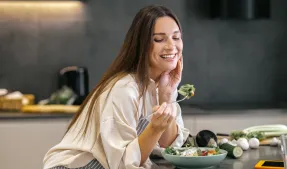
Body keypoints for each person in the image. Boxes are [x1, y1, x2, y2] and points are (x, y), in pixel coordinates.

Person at [43, 4, 190, 169]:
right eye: (159, 39)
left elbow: (168, 148)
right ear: (141, 44)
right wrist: (154, 129)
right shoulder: (124, 89)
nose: (171, 46)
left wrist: (167, 98)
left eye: (176, 37)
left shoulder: (162, 86)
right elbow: (122, 163)